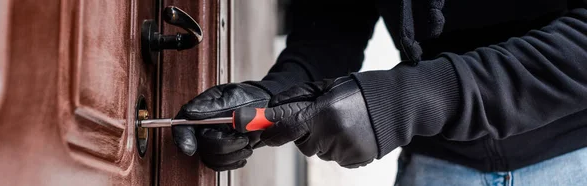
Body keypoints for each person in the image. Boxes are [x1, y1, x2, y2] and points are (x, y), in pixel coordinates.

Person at [172, 0, 587, 185]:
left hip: (572, 157)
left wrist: (410, 99)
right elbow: (331, 25)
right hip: (435, 168)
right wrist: (273, 93)